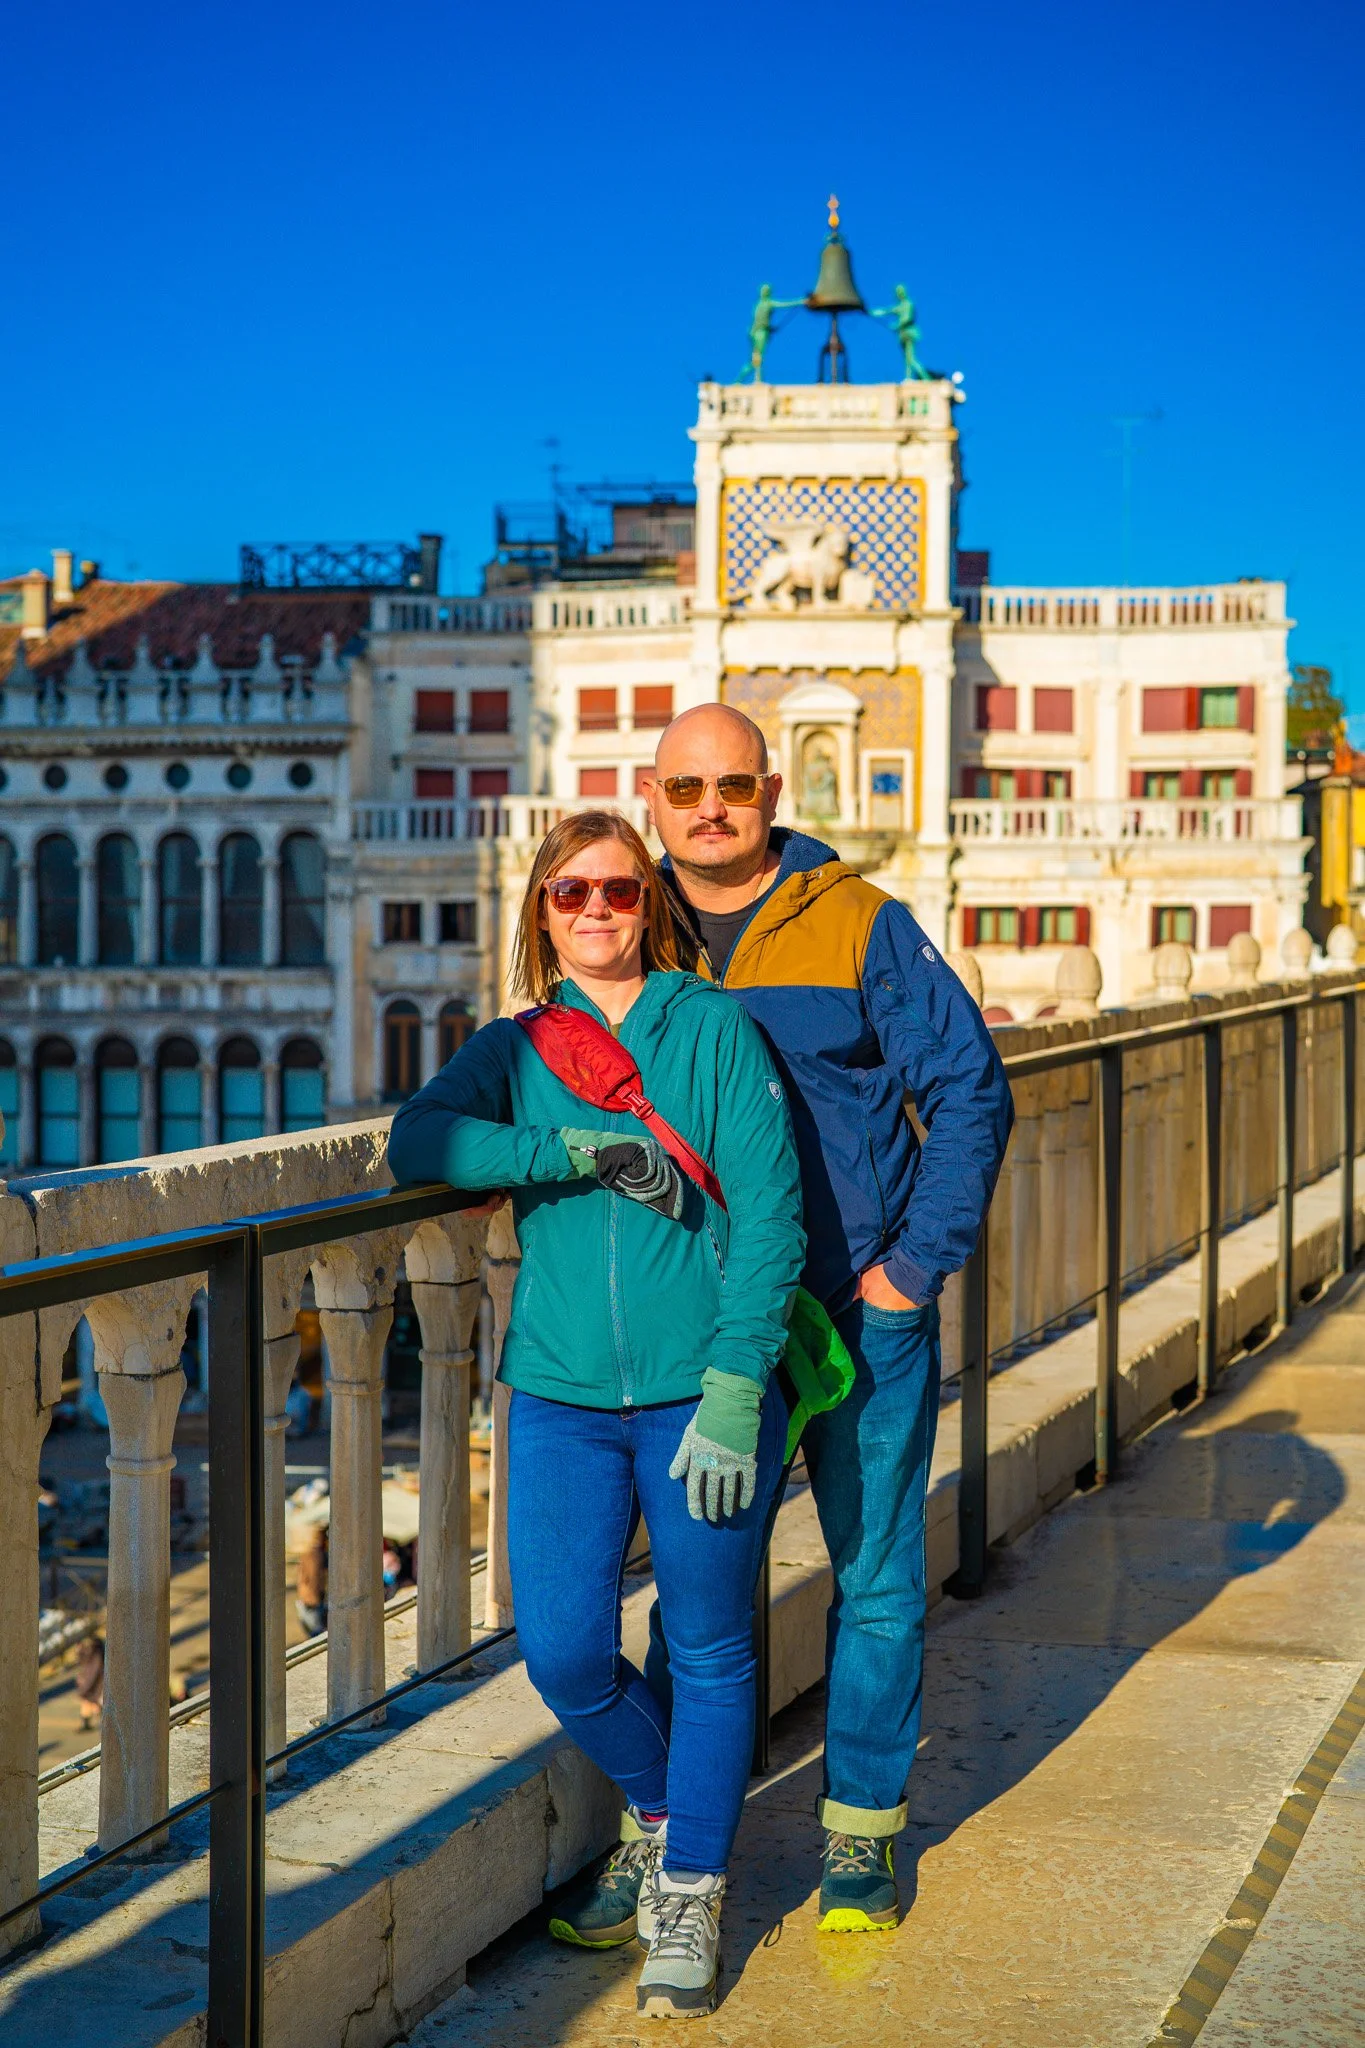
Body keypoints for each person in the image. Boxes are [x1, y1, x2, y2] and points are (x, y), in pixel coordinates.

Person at [387, 810, 804, 2017]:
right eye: (570, 893)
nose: (597, 910)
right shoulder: (515, 1044)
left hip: (701, 1391)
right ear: (542, 911)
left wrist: (736, 1385)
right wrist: (576, 1148)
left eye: (618, 889)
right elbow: (420, 1140)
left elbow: (771, 1214)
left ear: (649, 903)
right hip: (562, 1394)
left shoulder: (713, 1025)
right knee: (563, 1646)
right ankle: (678, 1808)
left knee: (715, 1642)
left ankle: (690, 1885)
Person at [642, 703, 1014, 1933]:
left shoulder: (857, 918)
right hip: (708, 1330)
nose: (712, 806)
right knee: (697, 1597)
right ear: (654, 794)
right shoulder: (619, 921)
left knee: (878, 1577)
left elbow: (968, 1085)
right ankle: (669, 1842)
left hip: (861, 1310)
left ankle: (859, 1834)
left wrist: (913, 1269)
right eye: (686, 784)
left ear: (770, 787)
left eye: (735, 783)